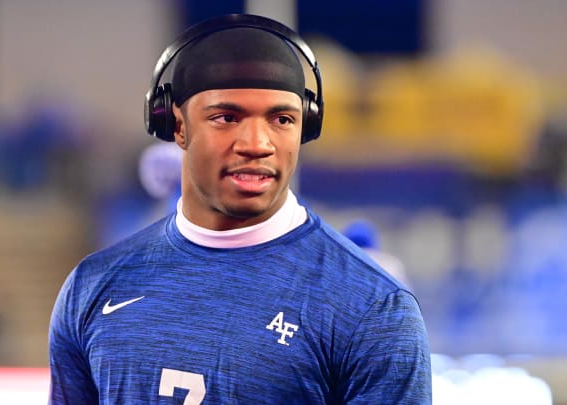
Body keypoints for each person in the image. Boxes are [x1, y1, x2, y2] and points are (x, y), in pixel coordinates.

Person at [49, 14, 431, 404]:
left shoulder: (371, 307)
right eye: (226, 117)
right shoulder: (93, 286)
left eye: (282, 119)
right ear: (177, 125)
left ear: (307, 126)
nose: (256, 143)